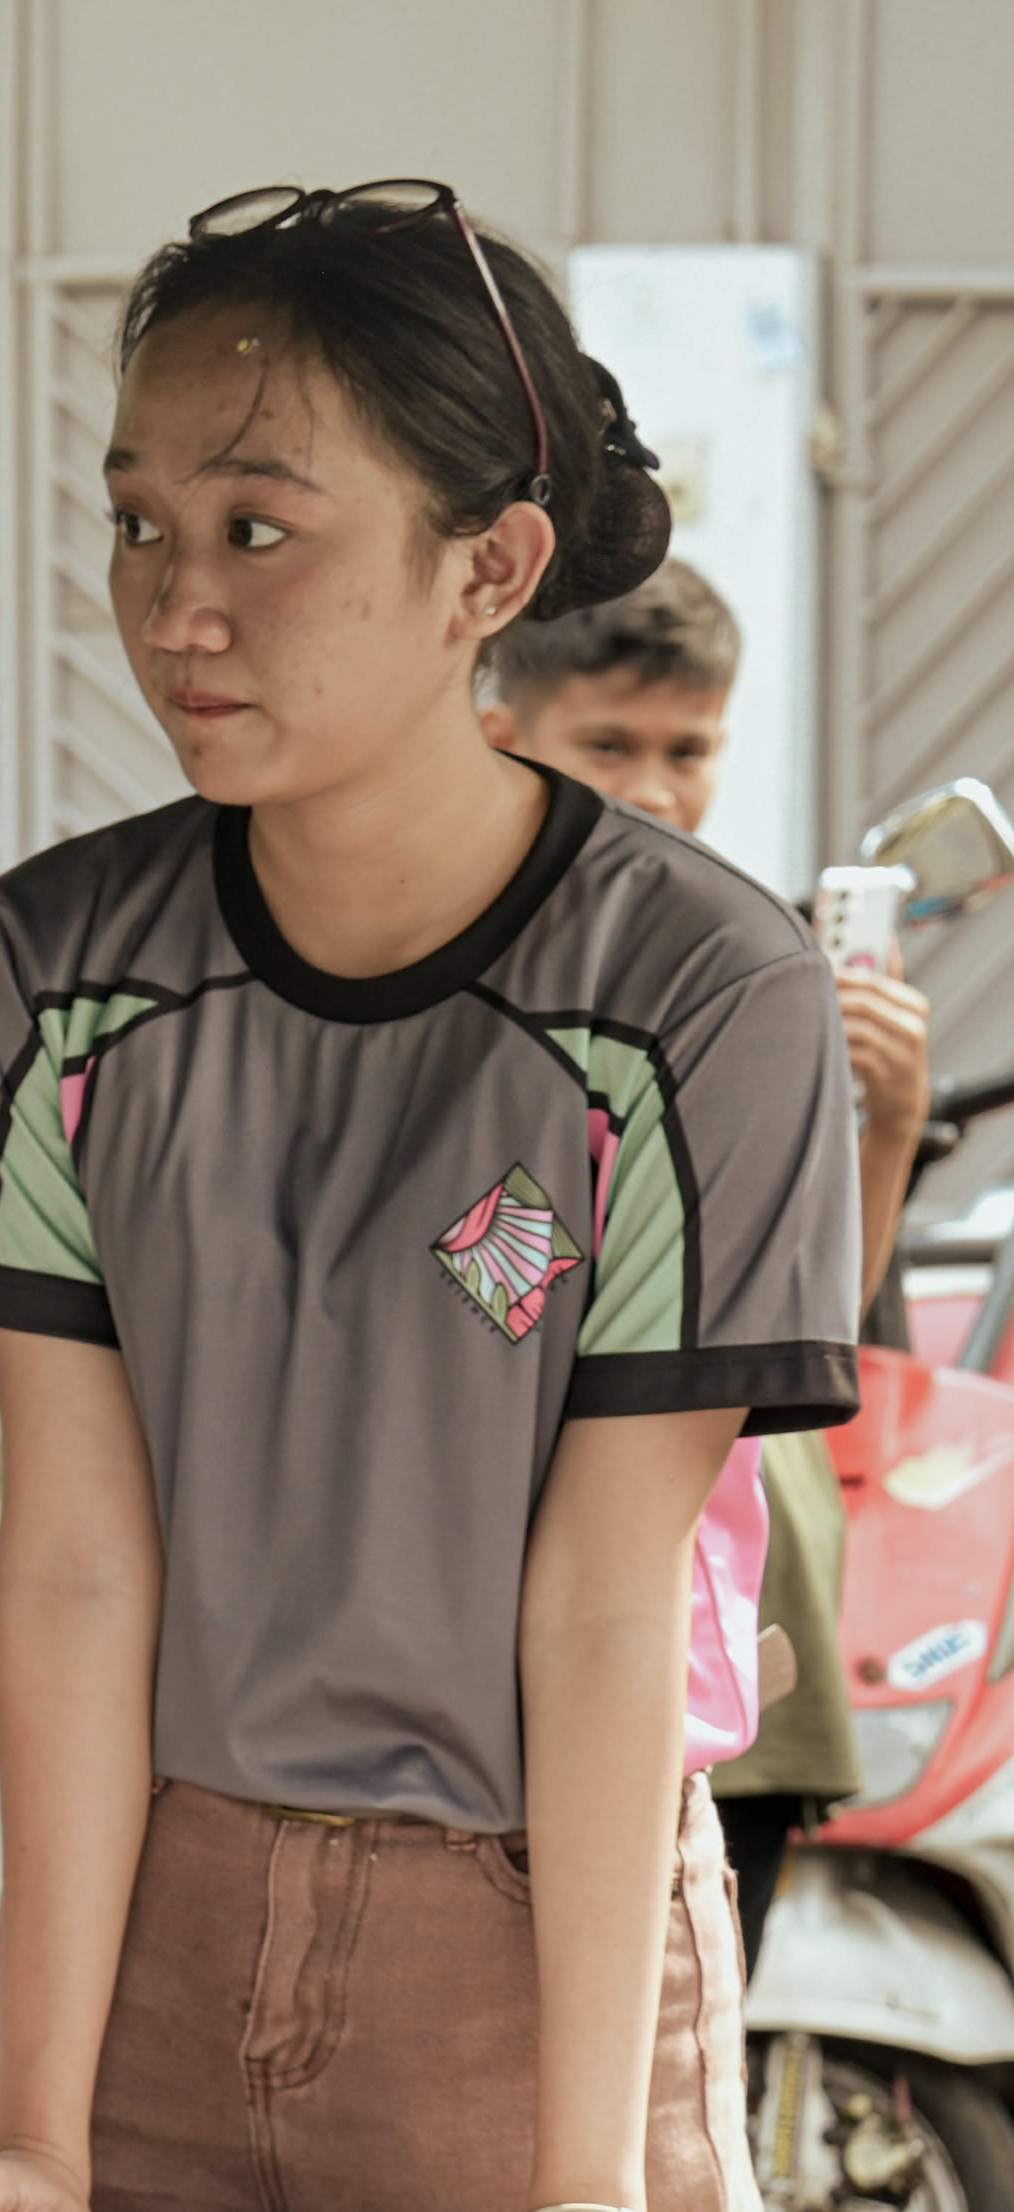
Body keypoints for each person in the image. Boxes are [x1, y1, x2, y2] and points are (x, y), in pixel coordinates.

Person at [0, 175, 855, 2212]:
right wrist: (34, 2111)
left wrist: (585, 2185)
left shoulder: (700, 992)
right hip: (139, 1936)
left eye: (255, 530)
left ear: (482, 571)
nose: (171, 606)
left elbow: (609, 1607)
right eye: (136, 526)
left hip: (523, 1966)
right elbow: (74, 1563)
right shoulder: (48, 969)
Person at [480, 562, 933, 1955]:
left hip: (742, 1620)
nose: (659, 788)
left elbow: (815, 1329)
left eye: (690, 750)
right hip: (526, 1614)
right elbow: (492, 1296)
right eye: (610, 745)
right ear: (505, 731)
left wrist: (890, 1124)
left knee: (687, 2052)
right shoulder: (471, 980)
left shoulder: (751, 972)